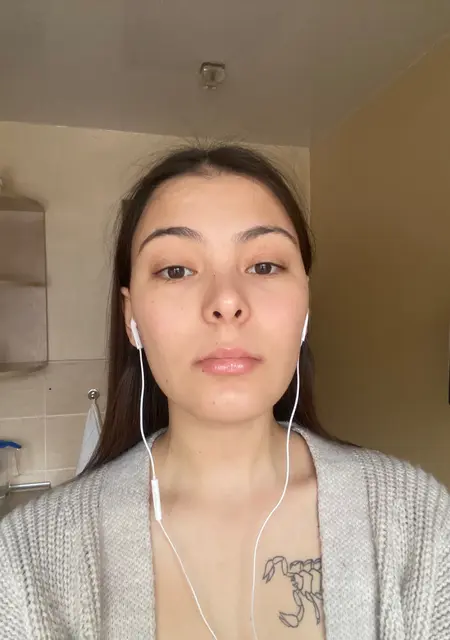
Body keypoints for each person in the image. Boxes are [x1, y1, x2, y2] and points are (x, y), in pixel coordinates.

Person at [0, 144, 449, 640]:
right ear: (131, 318)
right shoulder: (26, 561)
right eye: (176, 270)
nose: (227, 301)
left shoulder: (418, 521)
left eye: (264, 266)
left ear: (305, 305)